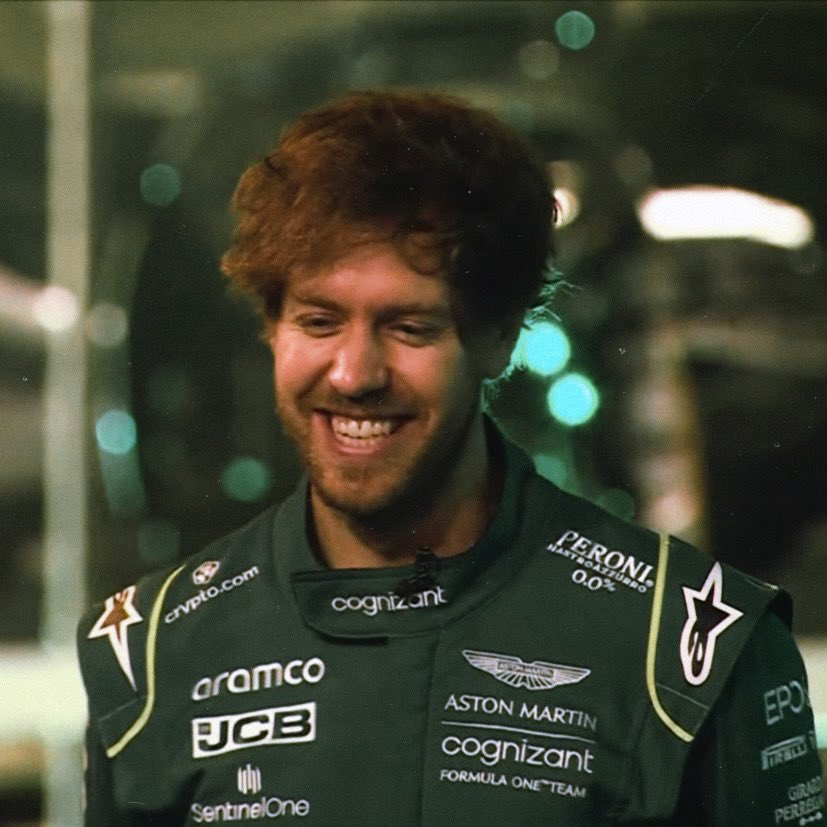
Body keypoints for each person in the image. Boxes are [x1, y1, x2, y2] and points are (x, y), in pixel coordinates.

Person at [77, 90, 824, 826]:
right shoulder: (150, 652)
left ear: (499, 337)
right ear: (271, 328)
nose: (353, 374)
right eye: (319, 320)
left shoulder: (696, 648)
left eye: (408, 326)